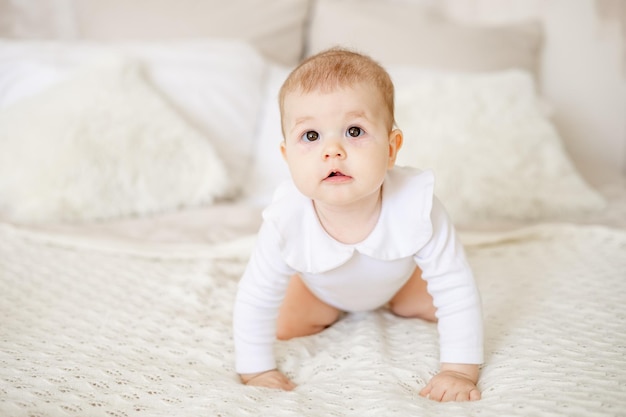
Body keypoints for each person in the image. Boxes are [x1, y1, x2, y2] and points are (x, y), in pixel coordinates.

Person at [233, 48, 483, 402]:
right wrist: (256, 370)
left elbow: (455, 285)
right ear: (287, 156)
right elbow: (256, 297)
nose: (332, 150)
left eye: (354, 130)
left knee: (450, 307)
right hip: (318, 290)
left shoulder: (418, 207)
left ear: (392, 148)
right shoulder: (285, 220)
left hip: (401, 283)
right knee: (281, 326)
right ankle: (329, 310)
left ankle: (399, 302)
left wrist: (459, 370)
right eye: (310, 136)